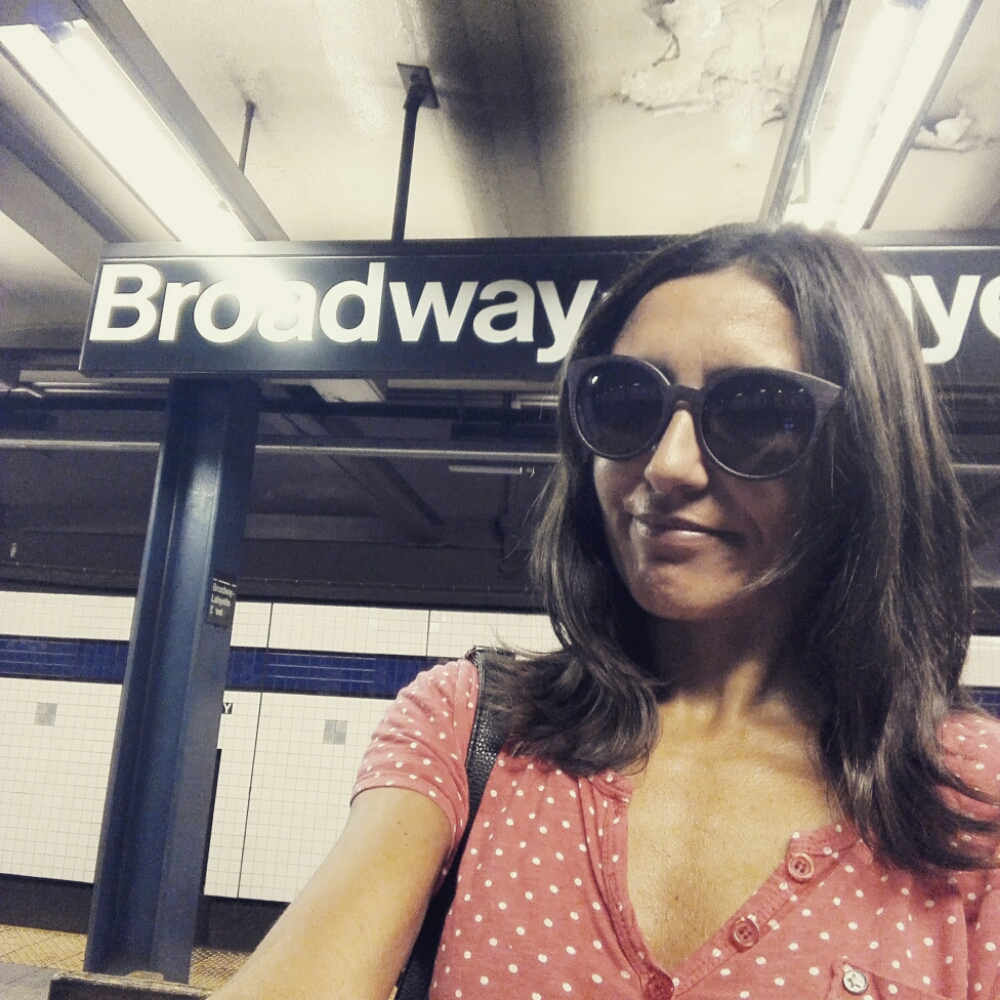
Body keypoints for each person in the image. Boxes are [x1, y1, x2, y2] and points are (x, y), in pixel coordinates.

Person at [214, 224, 1000, 1000]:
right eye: (628, 403)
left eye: (758, 414)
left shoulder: (977, 796)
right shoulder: (473, 726)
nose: (667, 466)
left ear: (866, 455)